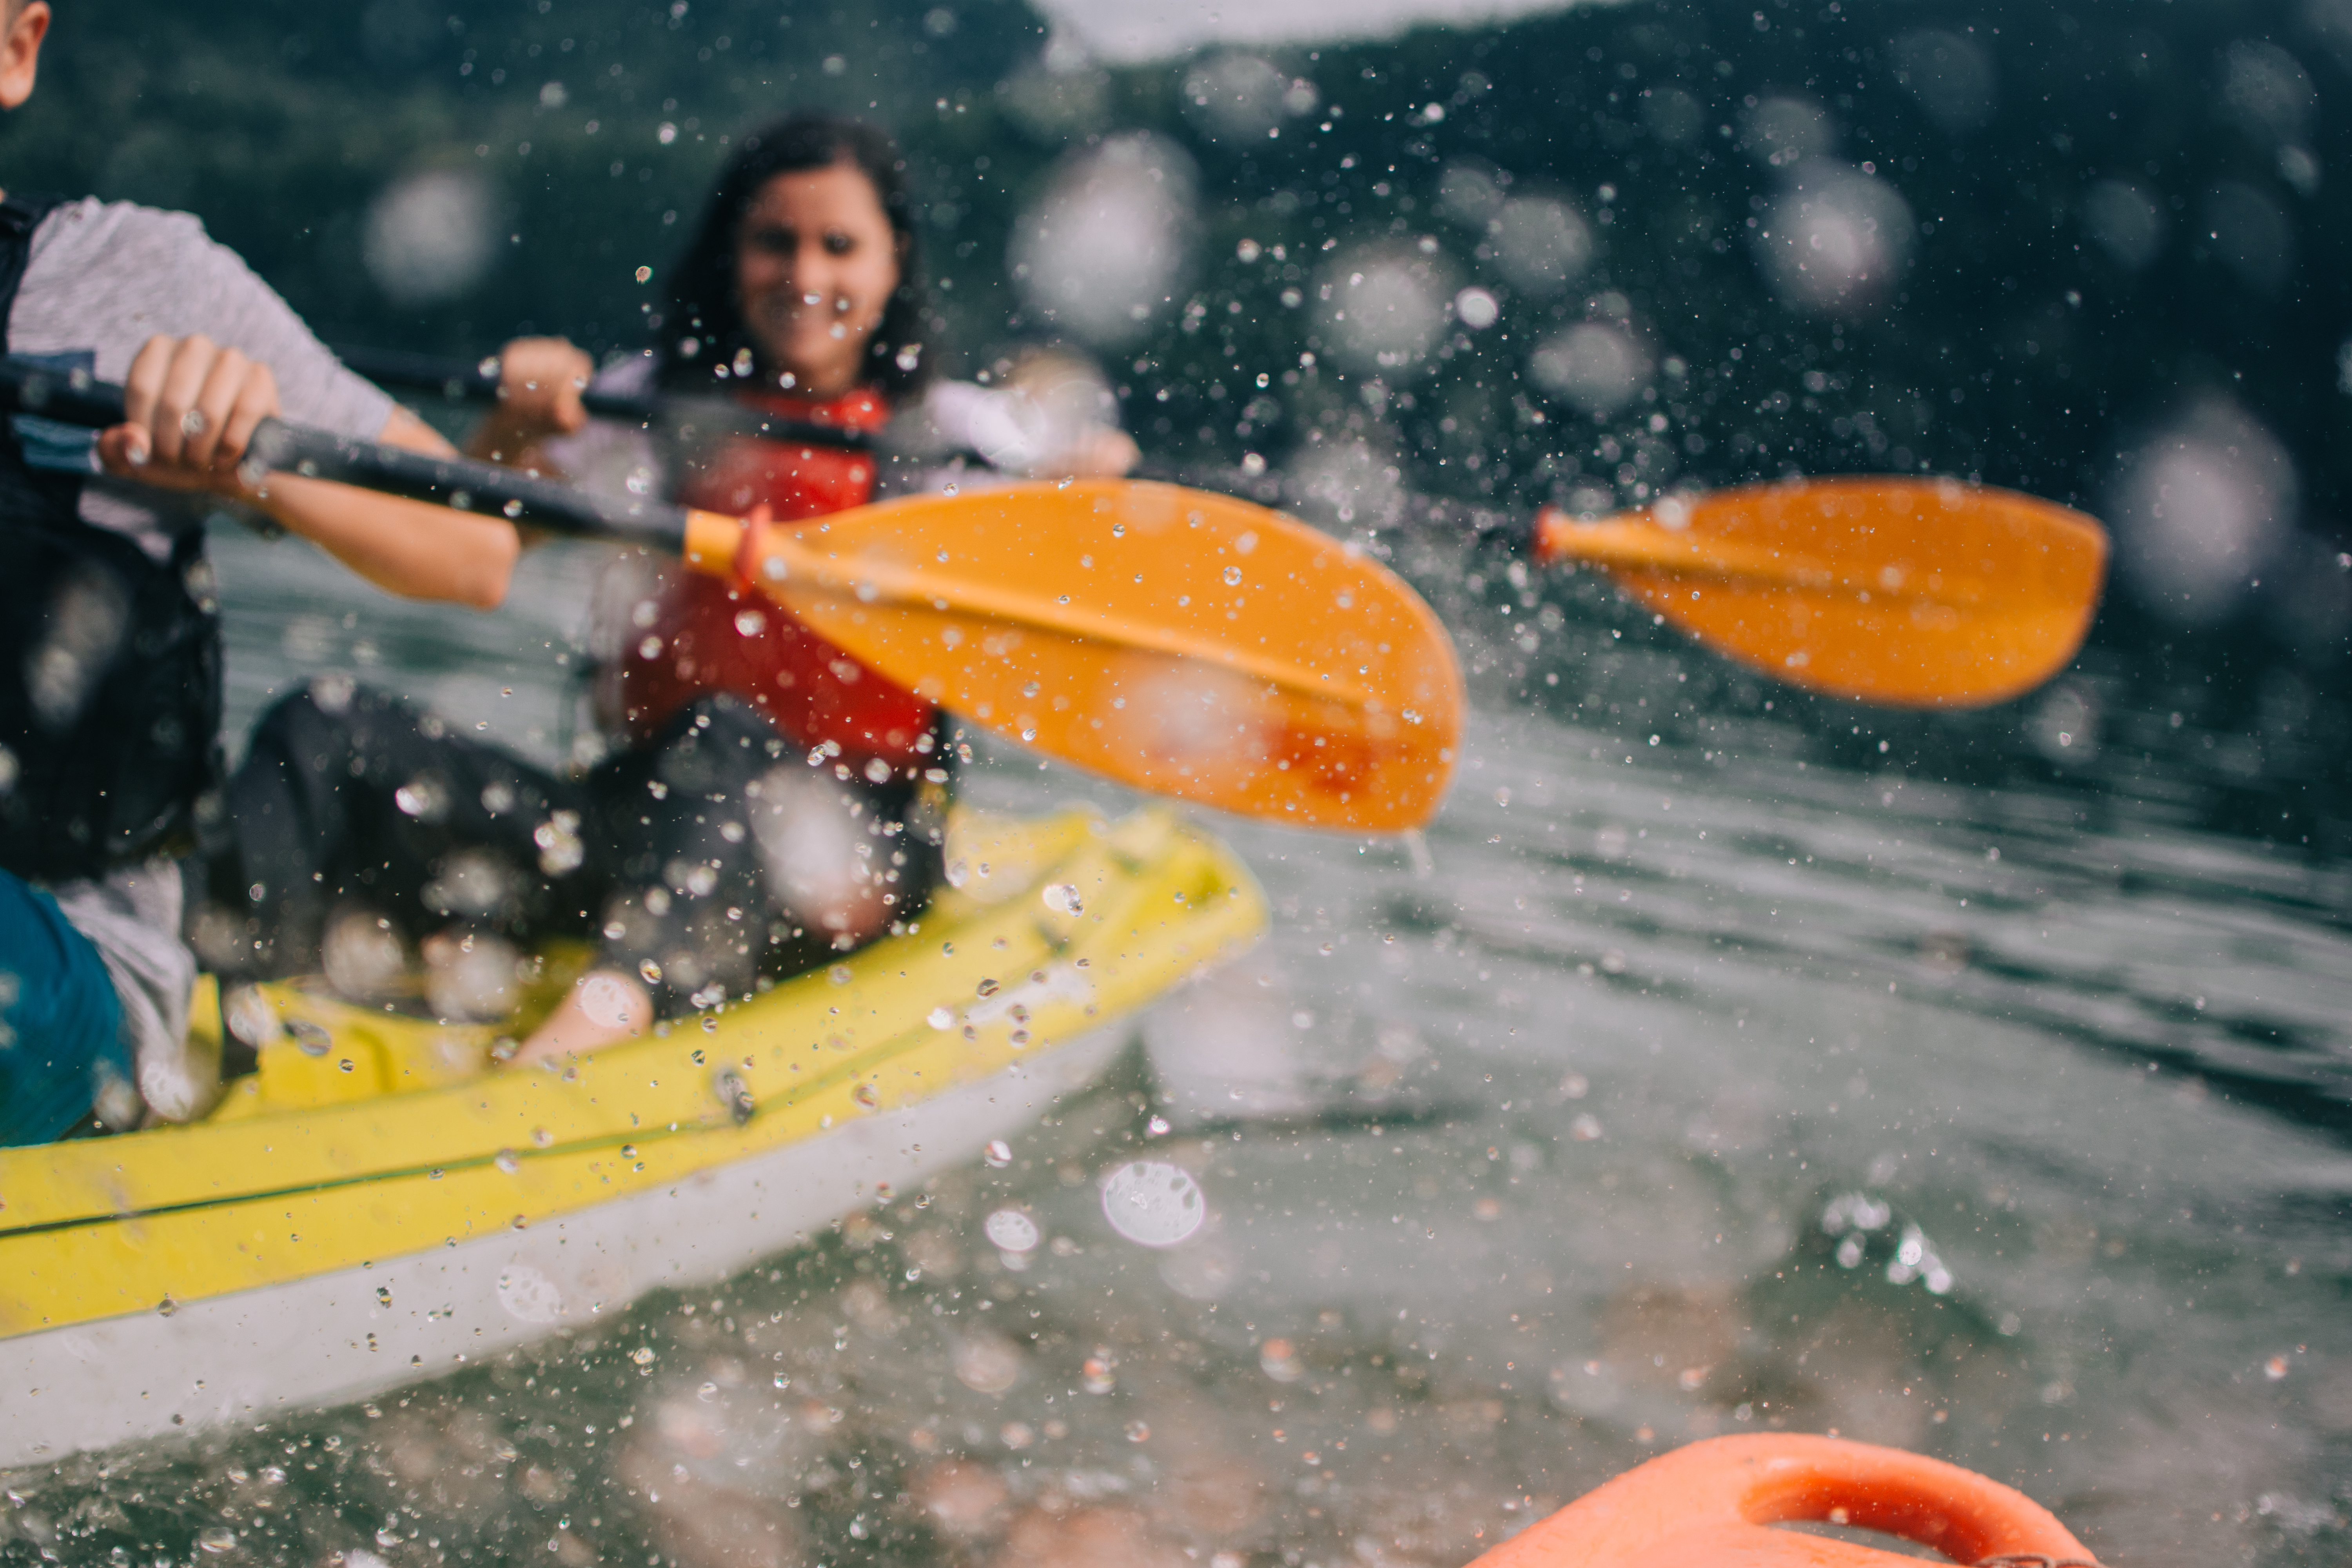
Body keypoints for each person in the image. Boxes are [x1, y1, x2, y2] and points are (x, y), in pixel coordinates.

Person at [207, 113, 1137, 1070]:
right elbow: (469, 544)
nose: (806, 277)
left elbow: (1089, 605)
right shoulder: (645, 403)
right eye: (775, 242)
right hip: (633, 831)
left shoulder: (963, 439)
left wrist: (1095, 509)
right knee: (324, 731)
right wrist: (513, 433)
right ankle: (228, 1005)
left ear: (893, 262)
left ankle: (603, 1020)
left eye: (840, 246)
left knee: (724, 733)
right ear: (732, 254)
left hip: (844, 866)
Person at [0, 0, 520, 1145]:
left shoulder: (133, 281)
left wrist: (260, 470)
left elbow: (478, 549)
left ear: (17, 49)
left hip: (73, 964)